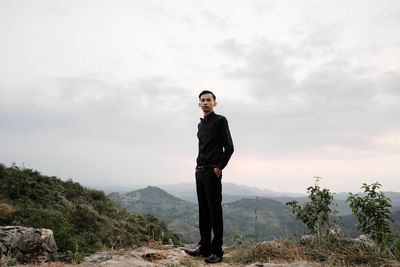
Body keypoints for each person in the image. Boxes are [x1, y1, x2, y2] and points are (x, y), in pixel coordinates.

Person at [184, 90, 234, 263]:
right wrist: (197, 167)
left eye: (209, 100)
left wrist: (219, 168)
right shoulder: (201, 125)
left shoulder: (220, 120)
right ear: (199, 104)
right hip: (200, 172)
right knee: (203, 211)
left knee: (215, 212)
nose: (205, 102)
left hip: (212, 171)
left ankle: (217, 251)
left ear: (215, 103)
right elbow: (202, 148)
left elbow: (229, 147)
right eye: (202, 100)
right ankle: (204, 247)